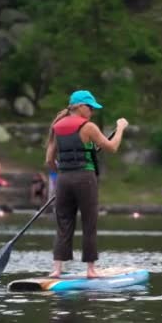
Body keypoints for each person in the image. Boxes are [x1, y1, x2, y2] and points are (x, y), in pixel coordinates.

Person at [45, 90, 128, 278]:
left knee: (64, 223)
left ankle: (57, 270)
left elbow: (49, 159)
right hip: (85, 179)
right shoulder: (88, 127)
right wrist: (120, 127)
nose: (91, 111)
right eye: (90, 107)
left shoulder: (56, 126)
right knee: (89, 223)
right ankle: (91, 270)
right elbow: (112, 147)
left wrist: (63, 176)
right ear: (80, 107)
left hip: (63, 180)